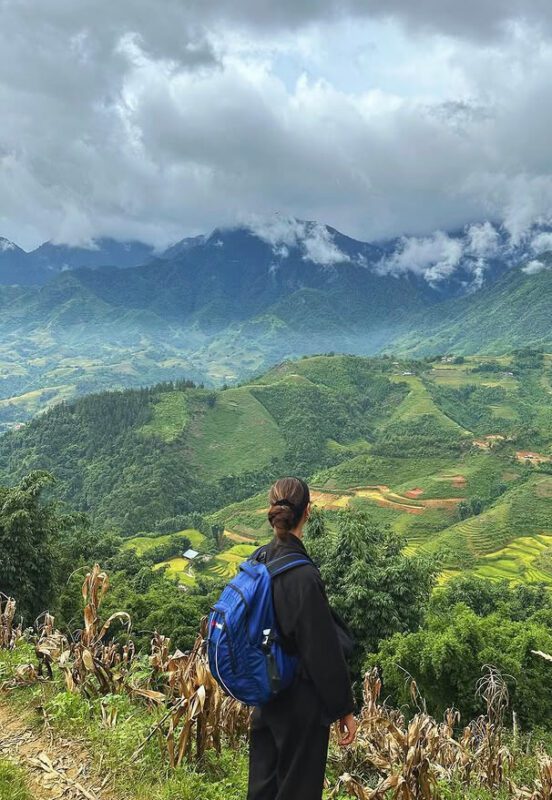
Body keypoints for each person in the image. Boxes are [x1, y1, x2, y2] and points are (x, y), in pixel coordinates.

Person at [247, 477, 357, 800]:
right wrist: (344, 709)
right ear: (307, 512)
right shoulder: (304, 576)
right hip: (300, 705)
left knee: (262, 789)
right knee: (298, 791)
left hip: (265, 696)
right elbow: (321, 652)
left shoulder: (258, 560)